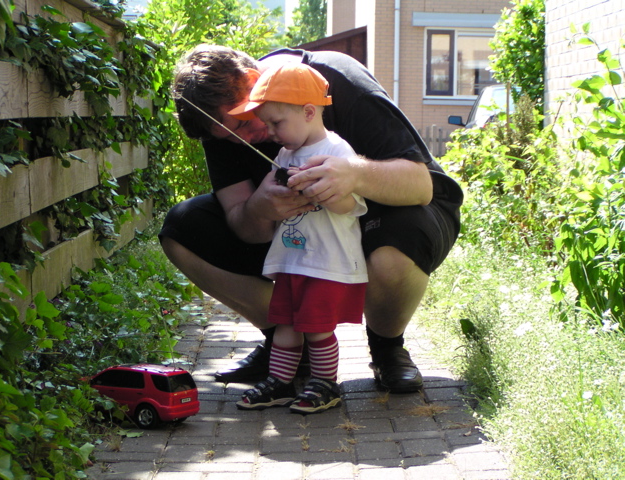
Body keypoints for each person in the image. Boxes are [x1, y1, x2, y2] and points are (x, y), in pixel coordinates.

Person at [162, 44, 463, 393]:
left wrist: (354, 175)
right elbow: (240, 220)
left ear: (252, 79)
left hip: (399, 212)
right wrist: (260, 208)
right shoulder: (219, 123)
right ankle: (289, 343)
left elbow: (420, 186)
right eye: (231, 137)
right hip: (301, 233)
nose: (245, 140)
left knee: (394, 248)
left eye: (245, 121)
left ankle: (387, 348)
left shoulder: (338, 79)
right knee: (181, 228)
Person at [226, 63, 368, 413]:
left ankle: (325, 383)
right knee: (285, 324)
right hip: (292, 257)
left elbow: (353, 206)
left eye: (276, 123)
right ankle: (281, 382)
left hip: (326, 259)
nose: (270, 132)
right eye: (267, 124)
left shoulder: (337, 151)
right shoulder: (284, 154)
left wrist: (325, 192)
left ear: (308, 112)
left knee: (317, 328)